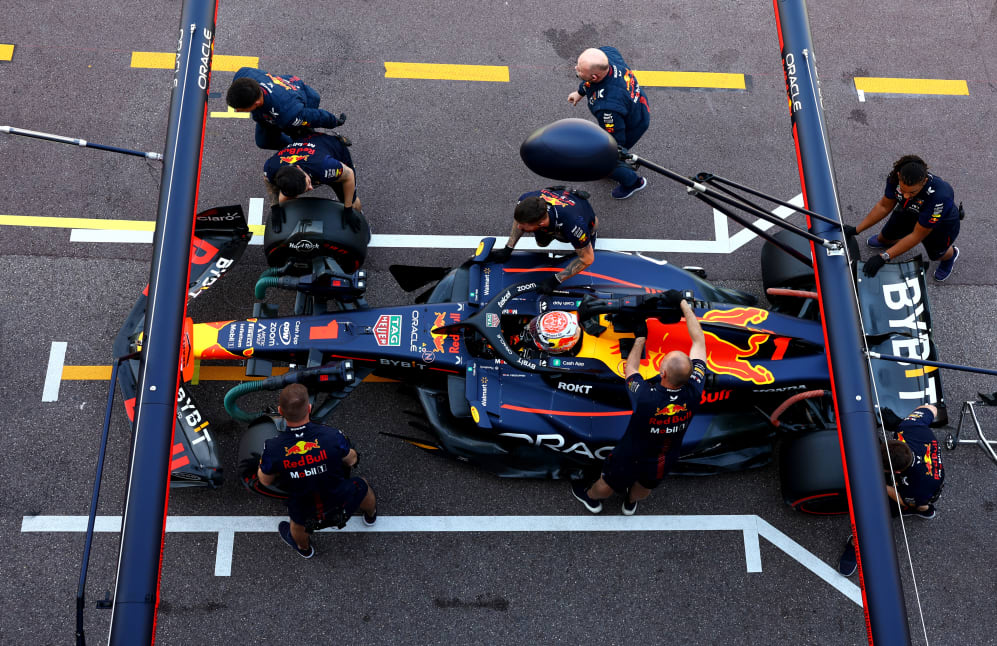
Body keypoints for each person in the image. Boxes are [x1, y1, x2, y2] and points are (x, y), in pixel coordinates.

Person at [572, 295, 707, 515]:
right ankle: (629, 504)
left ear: (662, 373)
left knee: (607, 482)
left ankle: (591, 500)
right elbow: (699, 341)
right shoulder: (695, 388)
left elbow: (631, 370)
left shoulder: (645, 396)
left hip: (630, 454)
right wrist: (684, 304)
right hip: (665, 455)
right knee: (646, 486)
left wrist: (640, 339)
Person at [256, 384, 377, 558]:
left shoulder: (273, 448)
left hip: (305, 507)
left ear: (280, 411)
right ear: (309, 408)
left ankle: (305, 549)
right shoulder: (331, 435)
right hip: (340, 497)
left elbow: (265, 480)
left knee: (297, 523)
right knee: (362, 486)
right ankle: (371, 516)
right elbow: (351, 460)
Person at [838, 404, 944, 576]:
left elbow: (902, 499)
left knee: (871, 517)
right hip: (924, 483)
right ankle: (924, 510)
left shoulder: (919, 484)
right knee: (919, 501)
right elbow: (931, 408)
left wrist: (879, 484)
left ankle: (856, 546)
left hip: (922, 491)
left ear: (896, 473)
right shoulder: (909, 426)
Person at [845, 155, 962, 281]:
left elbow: (917, 236)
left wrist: (884, 257)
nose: (905, 196)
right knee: (884, 238)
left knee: (937, 254)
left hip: (939, 226)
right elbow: (884, 206)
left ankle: (951, 255)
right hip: (910, 210)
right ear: (899, 176)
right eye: (902, 189)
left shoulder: (940, 196)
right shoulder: (894, 177)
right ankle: (889, 241)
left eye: (912, 192)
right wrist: (856, 229)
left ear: (924, 182)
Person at [567, 47, 651, 199]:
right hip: (637, 106)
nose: (576, 69)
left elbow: (615, 140)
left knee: (607, 161)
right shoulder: (607, 56)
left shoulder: (608, 106)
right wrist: (580, 93)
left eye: (580, 70)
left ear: (594, 76)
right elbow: (590, 83)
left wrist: (605, 156)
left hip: (631, 125)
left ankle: (633, 182)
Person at [488, 187, 598, 293]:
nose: (519, 227)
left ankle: (592, 232)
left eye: (523, 226)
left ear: (541, 223)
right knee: (541, 243)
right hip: (558, 208)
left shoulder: (573, 226)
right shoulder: (525, 199)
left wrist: (556, 279)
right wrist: (508, 248)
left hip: (581, 214)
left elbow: (588, 259)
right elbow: (519, 220)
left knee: (584, 245)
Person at [262, 131, 364, 231]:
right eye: (306, 189)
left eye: (309, 183)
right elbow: (268, 181)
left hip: (332, 151)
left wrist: (348, 209)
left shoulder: (326, 167)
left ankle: (362, 222)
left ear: (300, 169)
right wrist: (275, 207)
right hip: (308, 157)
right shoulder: (271, 167)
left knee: (353, 202)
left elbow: (349, 175)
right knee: (283, 202)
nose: (311, 188)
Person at [227, 67, 346, 150]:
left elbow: (315, 117)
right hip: (275, 106)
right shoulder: (243, 74)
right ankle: (292, 146)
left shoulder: (288, 114)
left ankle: (333, 143)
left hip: (300, 103)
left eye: (240, 109)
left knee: (305, 140)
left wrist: (334, 121)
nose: (236, 111)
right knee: (263, 141)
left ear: (256, 103)